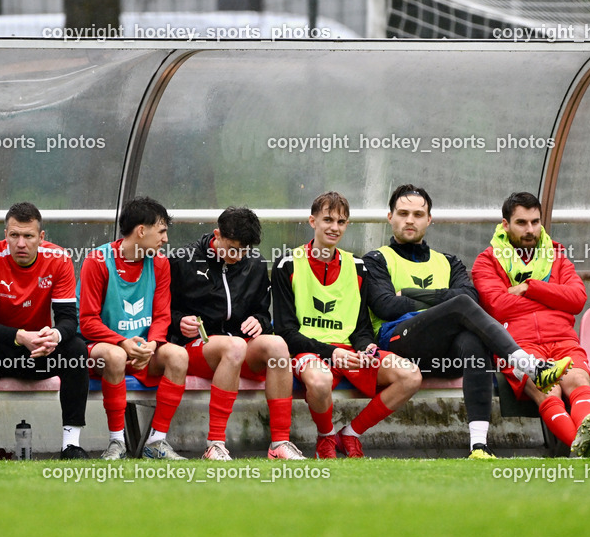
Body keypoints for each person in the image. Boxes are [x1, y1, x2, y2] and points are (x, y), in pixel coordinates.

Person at [363, 184, 573, 459]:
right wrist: (447, 301)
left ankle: (478, 446)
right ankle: (529, 365)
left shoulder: (449, 261)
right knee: (459, 305)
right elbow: (386, 305)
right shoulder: (376, 259)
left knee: (472, 339)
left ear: (429, 219)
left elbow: (470, 296)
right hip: (398, 347)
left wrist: (414, 295)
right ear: (390, 217)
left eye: (418, 214)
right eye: (403, 213)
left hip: (442, 354)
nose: (410, 220)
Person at [271, 191, 422, 459]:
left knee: (410, 375)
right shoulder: (287, 264)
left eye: (341, 222)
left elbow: (361, 327)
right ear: (312, 221)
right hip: (309, 353)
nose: (334, 227)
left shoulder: (358, 266)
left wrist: (366, 348)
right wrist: (333, 353)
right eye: (328, 219)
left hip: (349, 354)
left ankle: (350, 434)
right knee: (319, 381)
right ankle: (326, 436)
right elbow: (285, 333)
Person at [472, 192, 590, 457]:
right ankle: (582, 448)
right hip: (517, 345)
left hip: (562, 340)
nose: (530, 230)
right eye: (522, 223)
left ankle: (582, 448)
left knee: (578, 379)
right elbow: (497, 306)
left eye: (535, 222)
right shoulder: (487, 261)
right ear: (505, 225)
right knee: (547, 389)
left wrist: (530, 287)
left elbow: (578, 299)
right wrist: (553, 298)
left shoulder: (557, 256)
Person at [169, 207, 305, 460]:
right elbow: (163, 310)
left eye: (244, 250)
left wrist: (260, 322)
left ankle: (280, 443)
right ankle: (215, 444)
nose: (238, 256)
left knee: (277, 345)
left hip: (240, 350)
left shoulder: (253, 263)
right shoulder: (182, 260)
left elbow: (263, 313)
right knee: (234, 347)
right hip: (198, 349)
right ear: (216, 234)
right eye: (232, 249)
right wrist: (179, 322)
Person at [0, 202, 89, 459]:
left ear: (41, 238)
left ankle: (70, 445)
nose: (20, 243)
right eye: (14, 235)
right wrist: (21, 337)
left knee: (76, 348)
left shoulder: (60, 259)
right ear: (5, 234)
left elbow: (68, 320)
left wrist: (55, 336)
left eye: (28, 236)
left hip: (35, 349)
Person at [78, 196, 189, 461]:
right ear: (142, 230)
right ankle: (117, 443)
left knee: (178, 355)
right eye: (161, 231)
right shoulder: (97, 261)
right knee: (115, 356)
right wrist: (122, 343)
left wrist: (152, 345)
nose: (165, 239)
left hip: (143, 352)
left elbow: (162, 315)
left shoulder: (160, 264)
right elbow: (88, 321)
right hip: (102, 350)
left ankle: (156, 441)